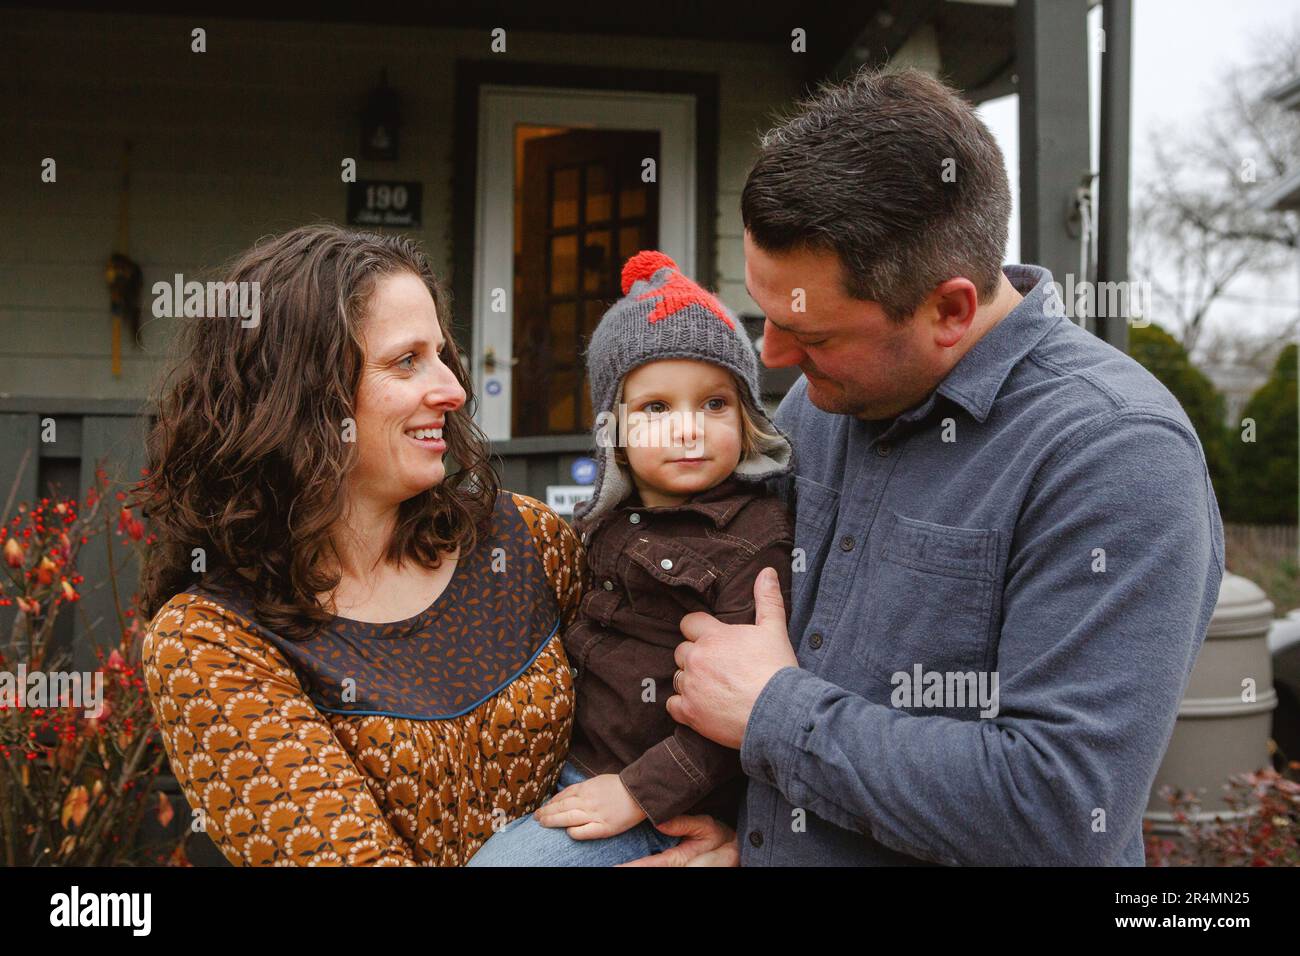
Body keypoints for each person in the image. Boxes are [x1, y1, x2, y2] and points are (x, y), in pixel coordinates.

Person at [633, 66, 1225, 867]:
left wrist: (776, 713)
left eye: (814, 333)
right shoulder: (823, 405)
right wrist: (748, 833)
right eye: (765, 315)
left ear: (949, 310)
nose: (771, 359)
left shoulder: (1114, 455)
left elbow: (1057, 805)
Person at [137, 223, 588, 866]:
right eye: (406, 362)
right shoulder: (213, 638)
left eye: (442, 356)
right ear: (301, 393)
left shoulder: (528, 543)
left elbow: (651, 720)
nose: (454, 391)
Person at [468, 251, 795, 866]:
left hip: (657, 804)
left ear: (748, 414)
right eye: (656, 408)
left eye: (715, 404)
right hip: (572, 772)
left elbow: (738, 714)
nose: (688, 428)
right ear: (612, 429)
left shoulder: (753, 538)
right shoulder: (602, 525)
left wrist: (637, 794)